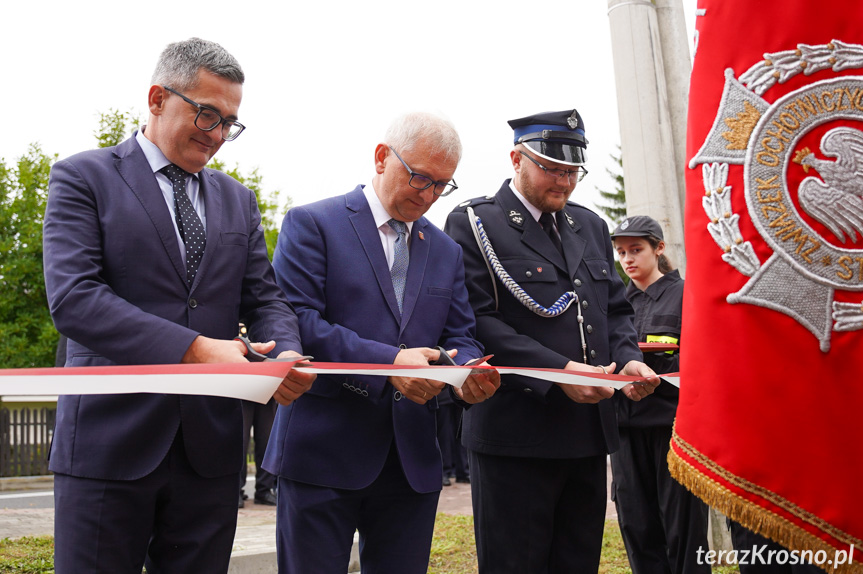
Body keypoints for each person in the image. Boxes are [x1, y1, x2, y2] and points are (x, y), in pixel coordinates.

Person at [42, 38, 316, 574]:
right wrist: (197, 350)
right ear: (156, 98)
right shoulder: (82, 177)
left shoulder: (237, 198)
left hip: (209, 454)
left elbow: (265, 297)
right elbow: (75, 299)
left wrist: (286, 354)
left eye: (228, 122)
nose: (216, 135)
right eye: (207, 114)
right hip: (109, 445)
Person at [262, 111, 501, 574]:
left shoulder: (446, 250)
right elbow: (299, 320)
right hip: (322, 453)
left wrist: (466, 373)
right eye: (419, 178)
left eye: (441, 185)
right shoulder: (313, 223)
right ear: (380, 157)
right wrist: (390, 361)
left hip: (411, 461)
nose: (428, 195)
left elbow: (460, 333)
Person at [444, 109, 659, 573]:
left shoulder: (590, 226)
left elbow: (616, 311)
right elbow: (476, 321)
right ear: (517, 159)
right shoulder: (476, 224)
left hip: (587, 432)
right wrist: (559, 373)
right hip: (517, 433)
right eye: (552, 169)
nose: (564, 182)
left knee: (577, 563)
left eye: (572, 171)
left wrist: (627, 361)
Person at [609, 215, 710, 574]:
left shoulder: (686, 295)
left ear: (659, 248)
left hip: (673, 431)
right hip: (625, 433)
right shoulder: (618, 302)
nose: (627, 259)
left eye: (636, 250)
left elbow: (698, 359)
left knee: (683, 530)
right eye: (621, 252)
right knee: (637, 526)